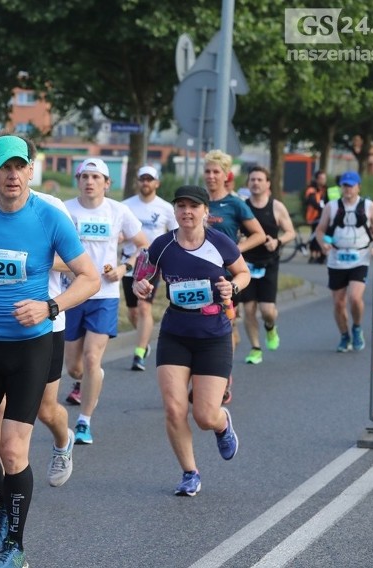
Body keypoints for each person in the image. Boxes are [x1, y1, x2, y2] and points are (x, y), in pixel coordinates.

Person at [0, 134, 99, 568]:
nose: (12, 174)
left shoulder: (50, 218)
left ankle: (15, 544)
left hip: (30, 347)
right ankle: (4, 496)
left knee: (13, 451)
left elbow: (89, 278)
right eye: (4, 166)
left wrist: (50, 305)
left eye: (20, 166)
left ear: (32, 170)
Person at [131, 185, 249, 497]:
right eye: (181, 205)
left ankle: (222, 424)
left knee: (204, 416)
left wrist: (232, 288)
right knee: (173, 408)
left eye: (193, 206)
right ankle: (189, 472)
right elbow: (143, 274)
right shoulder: (162, 245)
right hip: (176, 332)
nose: (186, 211)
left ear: (205, 212)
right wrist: (140, 287)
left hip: (213, 334)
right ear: (174, 211)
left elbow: (243, 273)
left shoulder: (219, 242)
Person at [63, 158, 148, 445]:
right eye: (84, 176)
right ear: (78, 180)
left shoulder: (118, 211)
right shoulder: (63, 210)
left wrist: (125, 268)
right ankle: (89, 379)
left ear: (107, 183)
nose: (89, 182)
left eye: (96, 177)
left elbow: (143, 245)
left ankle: (84, 422)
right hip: (72, 294)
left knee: (91, 358)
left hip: (104, 295)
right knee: (74, 368)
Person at [202, 150, 265, 402]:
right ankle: (205, 376)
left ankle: (222, 377)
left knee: (225, 327)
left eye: (216, 172)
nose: (211, 176)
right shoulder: (197, 201)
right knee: (202, 327)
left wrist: (235, 250)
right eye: (207, 171)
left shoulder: (236, 203)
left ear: (226, 175)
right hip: (196, 275)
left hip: (226, 278)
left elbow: (258, 234)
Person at [315, 171, 373, 352]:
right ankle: (345, 336)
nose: (347, 189)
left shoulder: (368, 206)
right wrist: (323, 244)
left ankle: (357, 327)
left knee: (354, 297)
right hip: (337, 258)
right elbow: (320, 230)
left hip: (360, 257)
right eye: (345, 185)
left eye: (351, 185)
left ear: (358, 187)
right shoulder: (331, 206)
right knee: (338, 302)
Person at [120, 165, 177, 371]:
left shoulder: (165, 208)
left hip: (152, 265)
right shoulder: (125, 206)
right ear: (137, 181)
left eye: (149, 179)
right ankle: (144, 340)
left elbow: (174, 235)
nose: (146, 183)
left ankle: (139, 353)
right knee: (133, 312)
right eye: (142, 179)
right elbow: (117, 233)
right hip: (129, 262)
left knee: (144, 307)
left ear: (157, 183)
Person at [240, 166, 296, 365]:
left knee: (267, 310)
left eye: (259, 179)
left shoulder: (276, 206)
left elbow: (291, 232)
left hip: (269, 262)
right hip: (246, 263)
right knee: (248, 310)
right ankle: (255, 348)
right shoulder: (243, 206)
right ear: (248, 183)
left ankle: (270, 327)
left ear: (267, 184)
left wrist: (278, 242)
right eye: (252, 179)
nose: (255, 183)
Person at [304, 171, 327, 264]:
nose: (323, 181)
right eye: (321, 178)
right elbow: (312, 202)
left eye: (324, 179)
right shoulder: (312, 190)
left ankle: (320, 255)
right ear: (317, 179)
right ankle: (313, 255)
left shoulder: (324, 189)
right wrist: (322, 208)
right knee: (314, 236)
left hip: (322, 216)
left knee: (320, 235)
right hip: (314, 216)